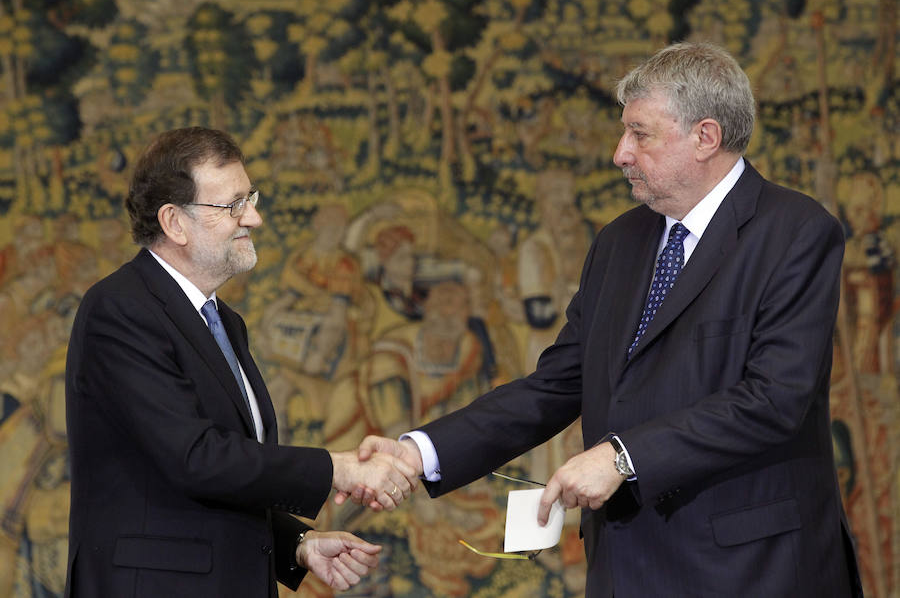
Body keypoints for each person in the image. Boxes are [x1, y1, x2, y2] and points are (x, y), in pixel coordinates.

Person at [351, 43, 864, 597]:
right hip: (625, 567)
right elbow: (556, 385)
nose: (620, 153)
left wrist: (624, 458)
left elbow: (773, 399)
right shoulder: (619, 240)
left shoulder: (796, 233)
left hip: (750, 572)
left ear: (705, 137)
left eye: (640, 134)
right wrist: (419, 451)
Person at [64, 127, 418, 598]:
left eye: (250, 197)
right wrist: (340, 468)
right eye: (233, 205)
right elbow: (195, 458)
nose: (254, 217)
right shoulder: (121, 308)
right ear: (174, 222)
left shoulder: (224, 322)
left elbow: (214, 480)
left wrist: (298, 544)